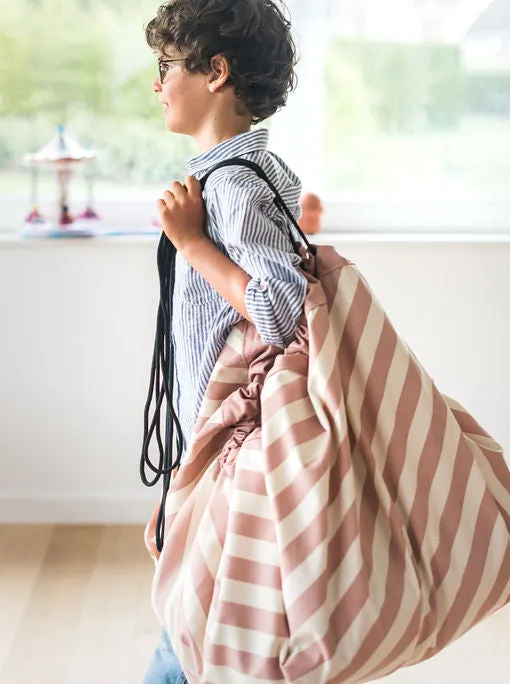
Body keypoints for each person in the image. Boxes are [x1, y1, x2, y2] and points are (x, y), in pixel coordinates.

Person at [143, 1, 306, 681]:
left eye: (165, 68)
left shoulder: (232, 186)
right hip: (223, 452)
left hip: (224, 451)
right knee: (207, 634)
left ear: (216, 72)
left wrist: (189, 242)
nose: (156, 86)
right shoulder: (263, 174)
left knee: (187, 641)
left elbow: (276, 308)